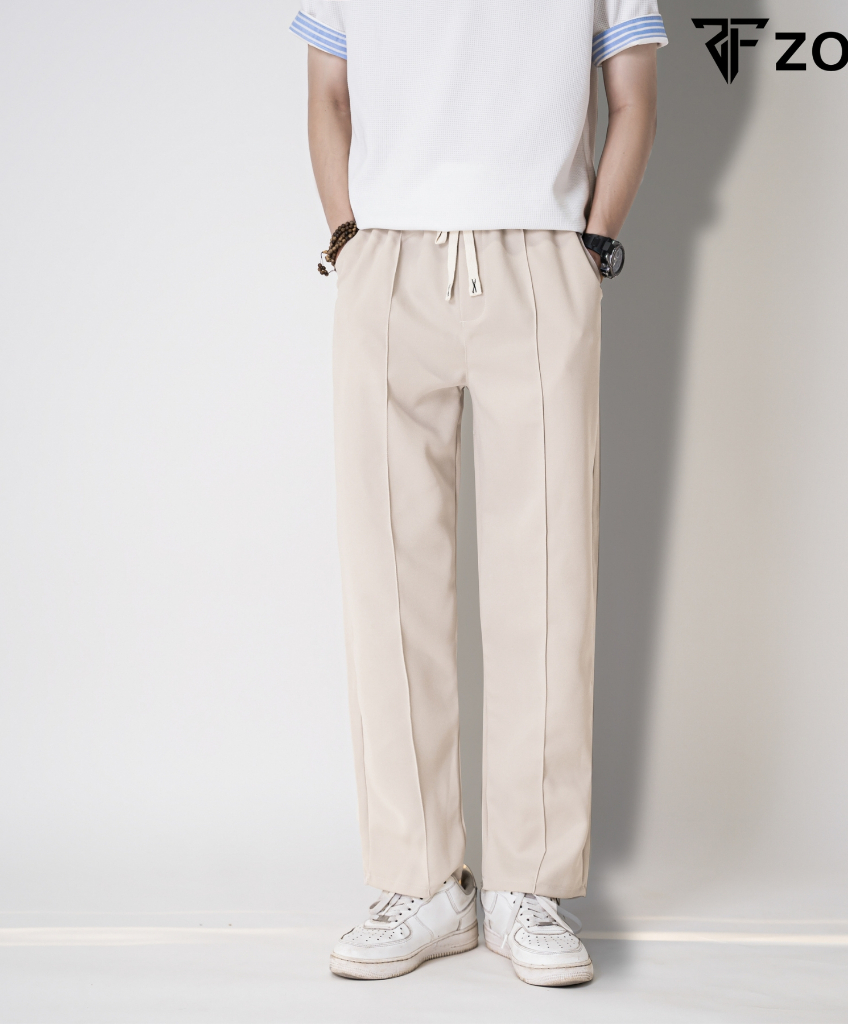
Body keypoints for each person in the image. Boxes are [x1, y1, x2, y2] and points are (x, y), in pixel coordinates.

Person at [293, 0, 665, 987]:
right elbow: (327, 93)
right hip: (387, 259)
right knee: (388, 576)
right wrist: (349, 237)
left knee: (547, 574)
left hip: (539, 255)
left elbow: (634, 99)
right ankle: (420, 882)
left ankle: (527, 885)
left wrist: (590, 249)